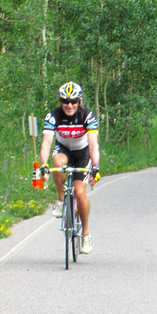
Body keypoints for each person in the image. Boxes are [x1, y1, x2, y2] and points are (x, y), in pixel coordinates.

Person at [39, 81, 101, 254]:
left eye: (74, 101)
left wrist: (95, 166)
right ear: (60, 102)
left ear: (79, 101)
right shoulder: (53, 116)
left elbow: (93, 144)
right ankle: (61, 200)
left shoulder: (87, 116)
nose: (69, 105)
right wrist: (43, 165)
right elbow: (46, 144)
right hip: (64, 150)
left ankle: (86, 234)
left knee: (80, 192)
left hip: (82, 153)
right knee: (57, 164)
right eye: (65, 101)